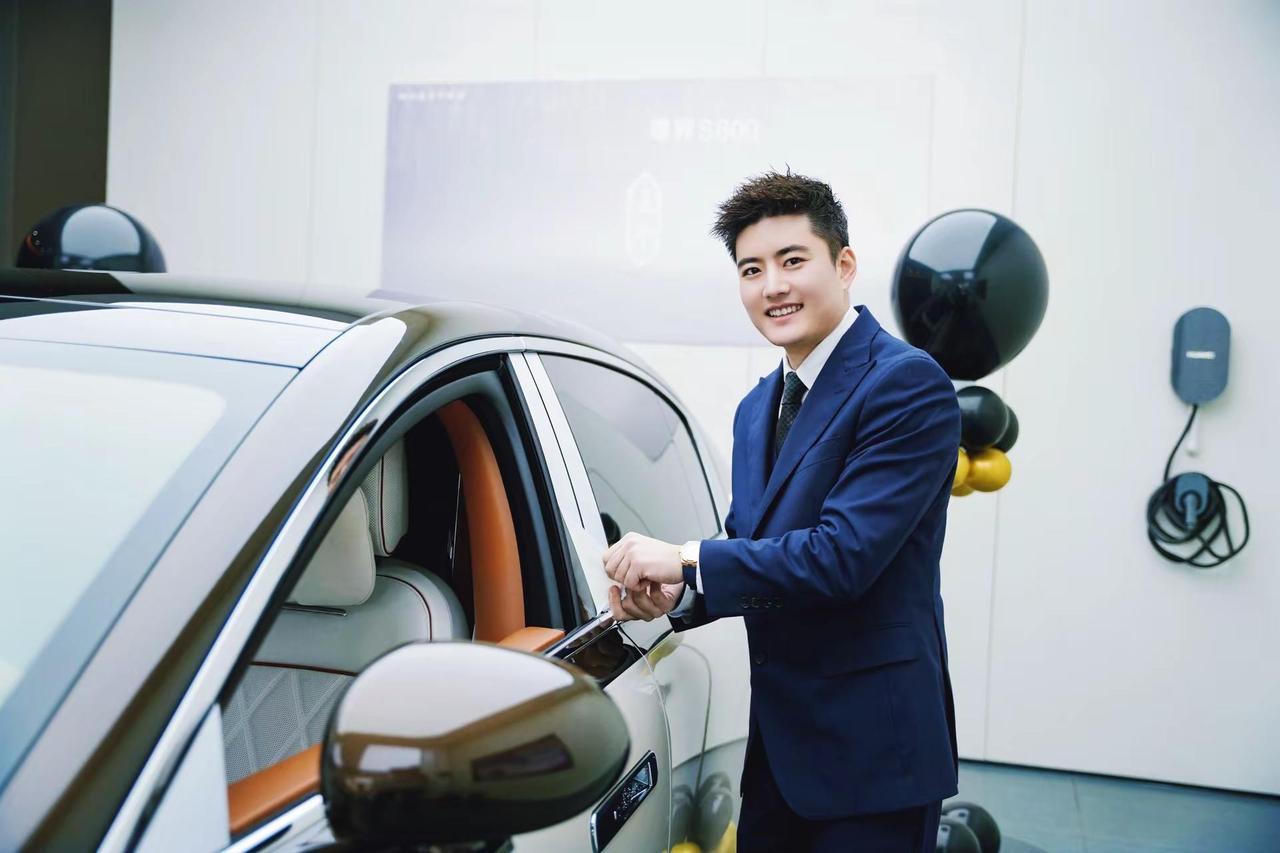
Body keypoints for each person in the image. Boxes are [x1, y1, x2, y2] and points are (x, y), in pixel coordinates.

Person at [603, 171, 960, 852]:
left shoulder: (906, 384)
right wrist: (679, 594)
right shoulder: (755, 408)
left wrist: (684, 557)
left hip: (874, 760)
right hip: (777, 756)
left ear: (844, 265)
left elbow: (841, 558)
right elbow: (751, 542)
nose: (773, 286)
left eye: (793, 260)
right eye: (751, 269)